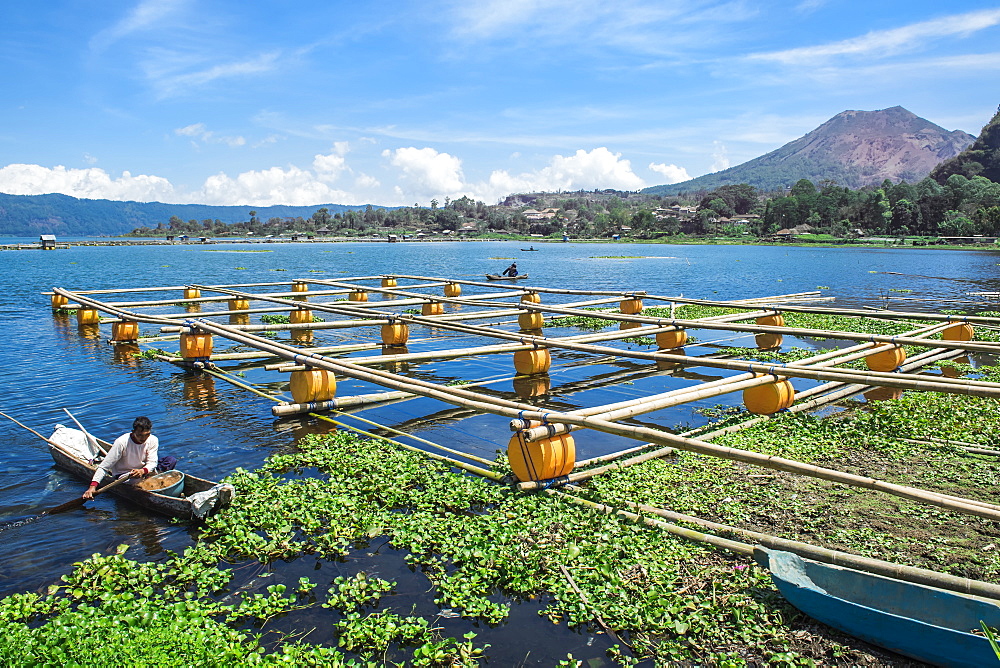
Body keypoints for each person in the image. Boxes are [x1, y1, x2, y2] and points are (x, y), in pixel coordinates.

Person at [82, 416, 159, 500]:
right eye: (140, 435)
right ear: (133, 432)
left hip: (142, 470)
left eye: (147, 435)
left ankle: (146, 477)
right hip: (126, 474)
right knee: (136, 481)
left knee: (170, 460)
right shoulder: (122, 442)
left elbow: (152, 462)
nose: (143, 438)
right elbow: (104, 467)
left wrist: (142, 471)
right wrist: (92, 487)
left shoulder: (153, 440)